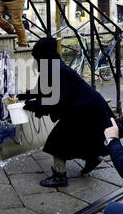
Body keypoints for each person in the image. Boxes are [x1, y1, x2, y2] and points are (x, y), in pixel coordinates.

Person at [18, 38, 116, 187]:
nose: (34, 60)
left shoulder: (56, 70)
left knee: (57, 141)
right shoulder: (53, 67)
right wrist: (26, 96)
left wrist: (31, 105)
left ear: (43, 57)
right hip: (87, 106)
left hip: (86, 108)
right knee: (81, 137)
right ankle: (92, 159)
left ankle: (60, 177)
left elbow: (57, 100)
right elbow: (44, 90)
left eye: (36, 57)